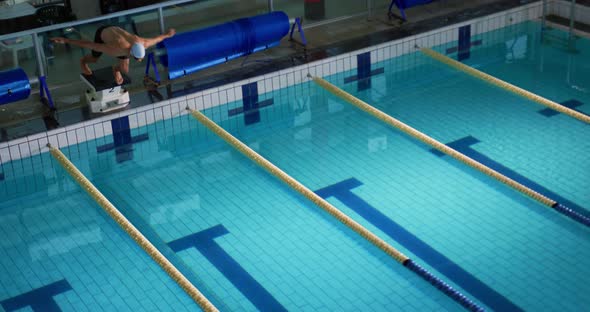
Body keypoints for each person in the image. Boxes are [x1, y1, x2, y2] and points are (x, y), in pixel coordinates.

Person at [51, 26, 176, 85]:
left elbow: (158, 38)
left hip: (119, 34)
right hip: (104, 34)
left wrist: (167, 35)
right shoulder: (116, 49)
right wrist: (66, 40)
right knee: (94, 59)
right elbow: (89, 44)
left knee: (124, 70)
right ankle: (83, 61)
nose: (139, 61)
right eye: (137, 59)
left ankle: (115, 69)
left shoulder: (144, 43)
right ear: (131, 53)